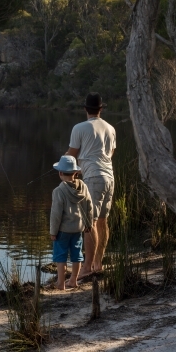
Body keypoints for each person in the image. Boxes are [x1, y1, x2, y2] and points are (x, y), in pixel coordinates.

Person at [65, 92, 116, 279]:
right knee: (102, 221)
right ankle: (98, 264)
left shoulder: (79, 128)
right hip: (109, 178)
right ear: (101, 109)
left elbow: (71, 154)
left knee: (89, 223)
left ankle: (86, 268)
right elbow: (110, 154)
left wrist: (63, 168)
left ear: (85, 109)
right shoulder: (111, 128)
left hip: (93, 178)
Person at [50, 155, 93, 290]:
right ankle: (73, 280)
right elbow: (89, 206)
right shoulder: (83, 187)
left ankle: (61, 283)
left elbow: (56, 214)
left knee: (60, 256)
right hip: (78, 228)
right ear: (76, 172)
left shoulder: (58, 191)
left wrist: (53, 231)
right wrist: (88, 223)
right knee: (77, 255)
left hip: (63, 230)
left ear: (60, 173)